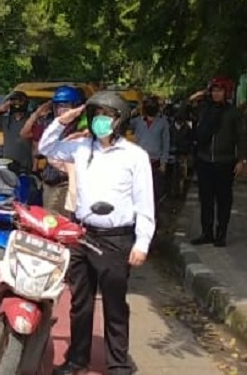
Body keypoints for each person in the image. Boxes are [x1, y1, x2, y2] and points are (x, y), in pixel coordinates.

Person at [39, 91, 154, 375]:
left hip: (117, 238)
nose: (100, 120)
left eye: (107, 115)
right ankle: (77, 358)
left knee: (115, 305)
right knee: (80, 302)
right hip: (82, 234)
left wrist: (142, 243)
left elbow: (145, 202)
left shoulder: (135, 156)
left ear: (120, 120)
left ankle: (117, 364)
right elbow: (46, 147)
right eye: (96, 115)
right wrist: (64, 120)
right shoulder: (80, 148)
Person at [183, 77, 246, 247]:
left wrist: (242, 160)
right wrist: (193, 98)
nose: (216, 93)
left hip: (225, 162)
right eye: (214, 90)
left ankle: (221, 233)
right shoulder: (203, 110)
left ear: (226, 93)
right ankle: (207, 232)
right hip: (204, 160)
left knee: (224, 199)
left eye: (220, 90)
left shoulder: (233, 113)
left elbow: (241, 137)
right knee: (206, 199)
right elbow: (181, 115)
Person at [20, 85, 85, 214]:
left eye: (66, 105)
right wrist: (38, 113)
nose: (62, 110)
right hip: (49, 182)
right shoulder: (50, 124)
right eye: (58, 106)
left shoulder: (81, 127)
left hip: (67, 183)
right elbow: (26, 134)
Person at [130, 96, 170, 203]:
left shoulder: (163, 122)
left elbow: (166, 143)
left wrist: (163, 163)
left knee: (155, 193)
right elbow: (124, 124)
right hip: (139, 162)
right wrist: (135, 111)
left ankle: (154, 216)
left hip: (155, 162)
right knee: (139, 192)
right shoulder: (137, 121)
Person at [0, 91, 33, 172]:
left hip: (25, 165)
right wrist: (0, 108)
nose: (16, 104)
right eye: (13, 101)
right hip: (8, 164)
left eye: (19, 101)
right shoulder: (6, 120)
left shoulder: (30, 120)